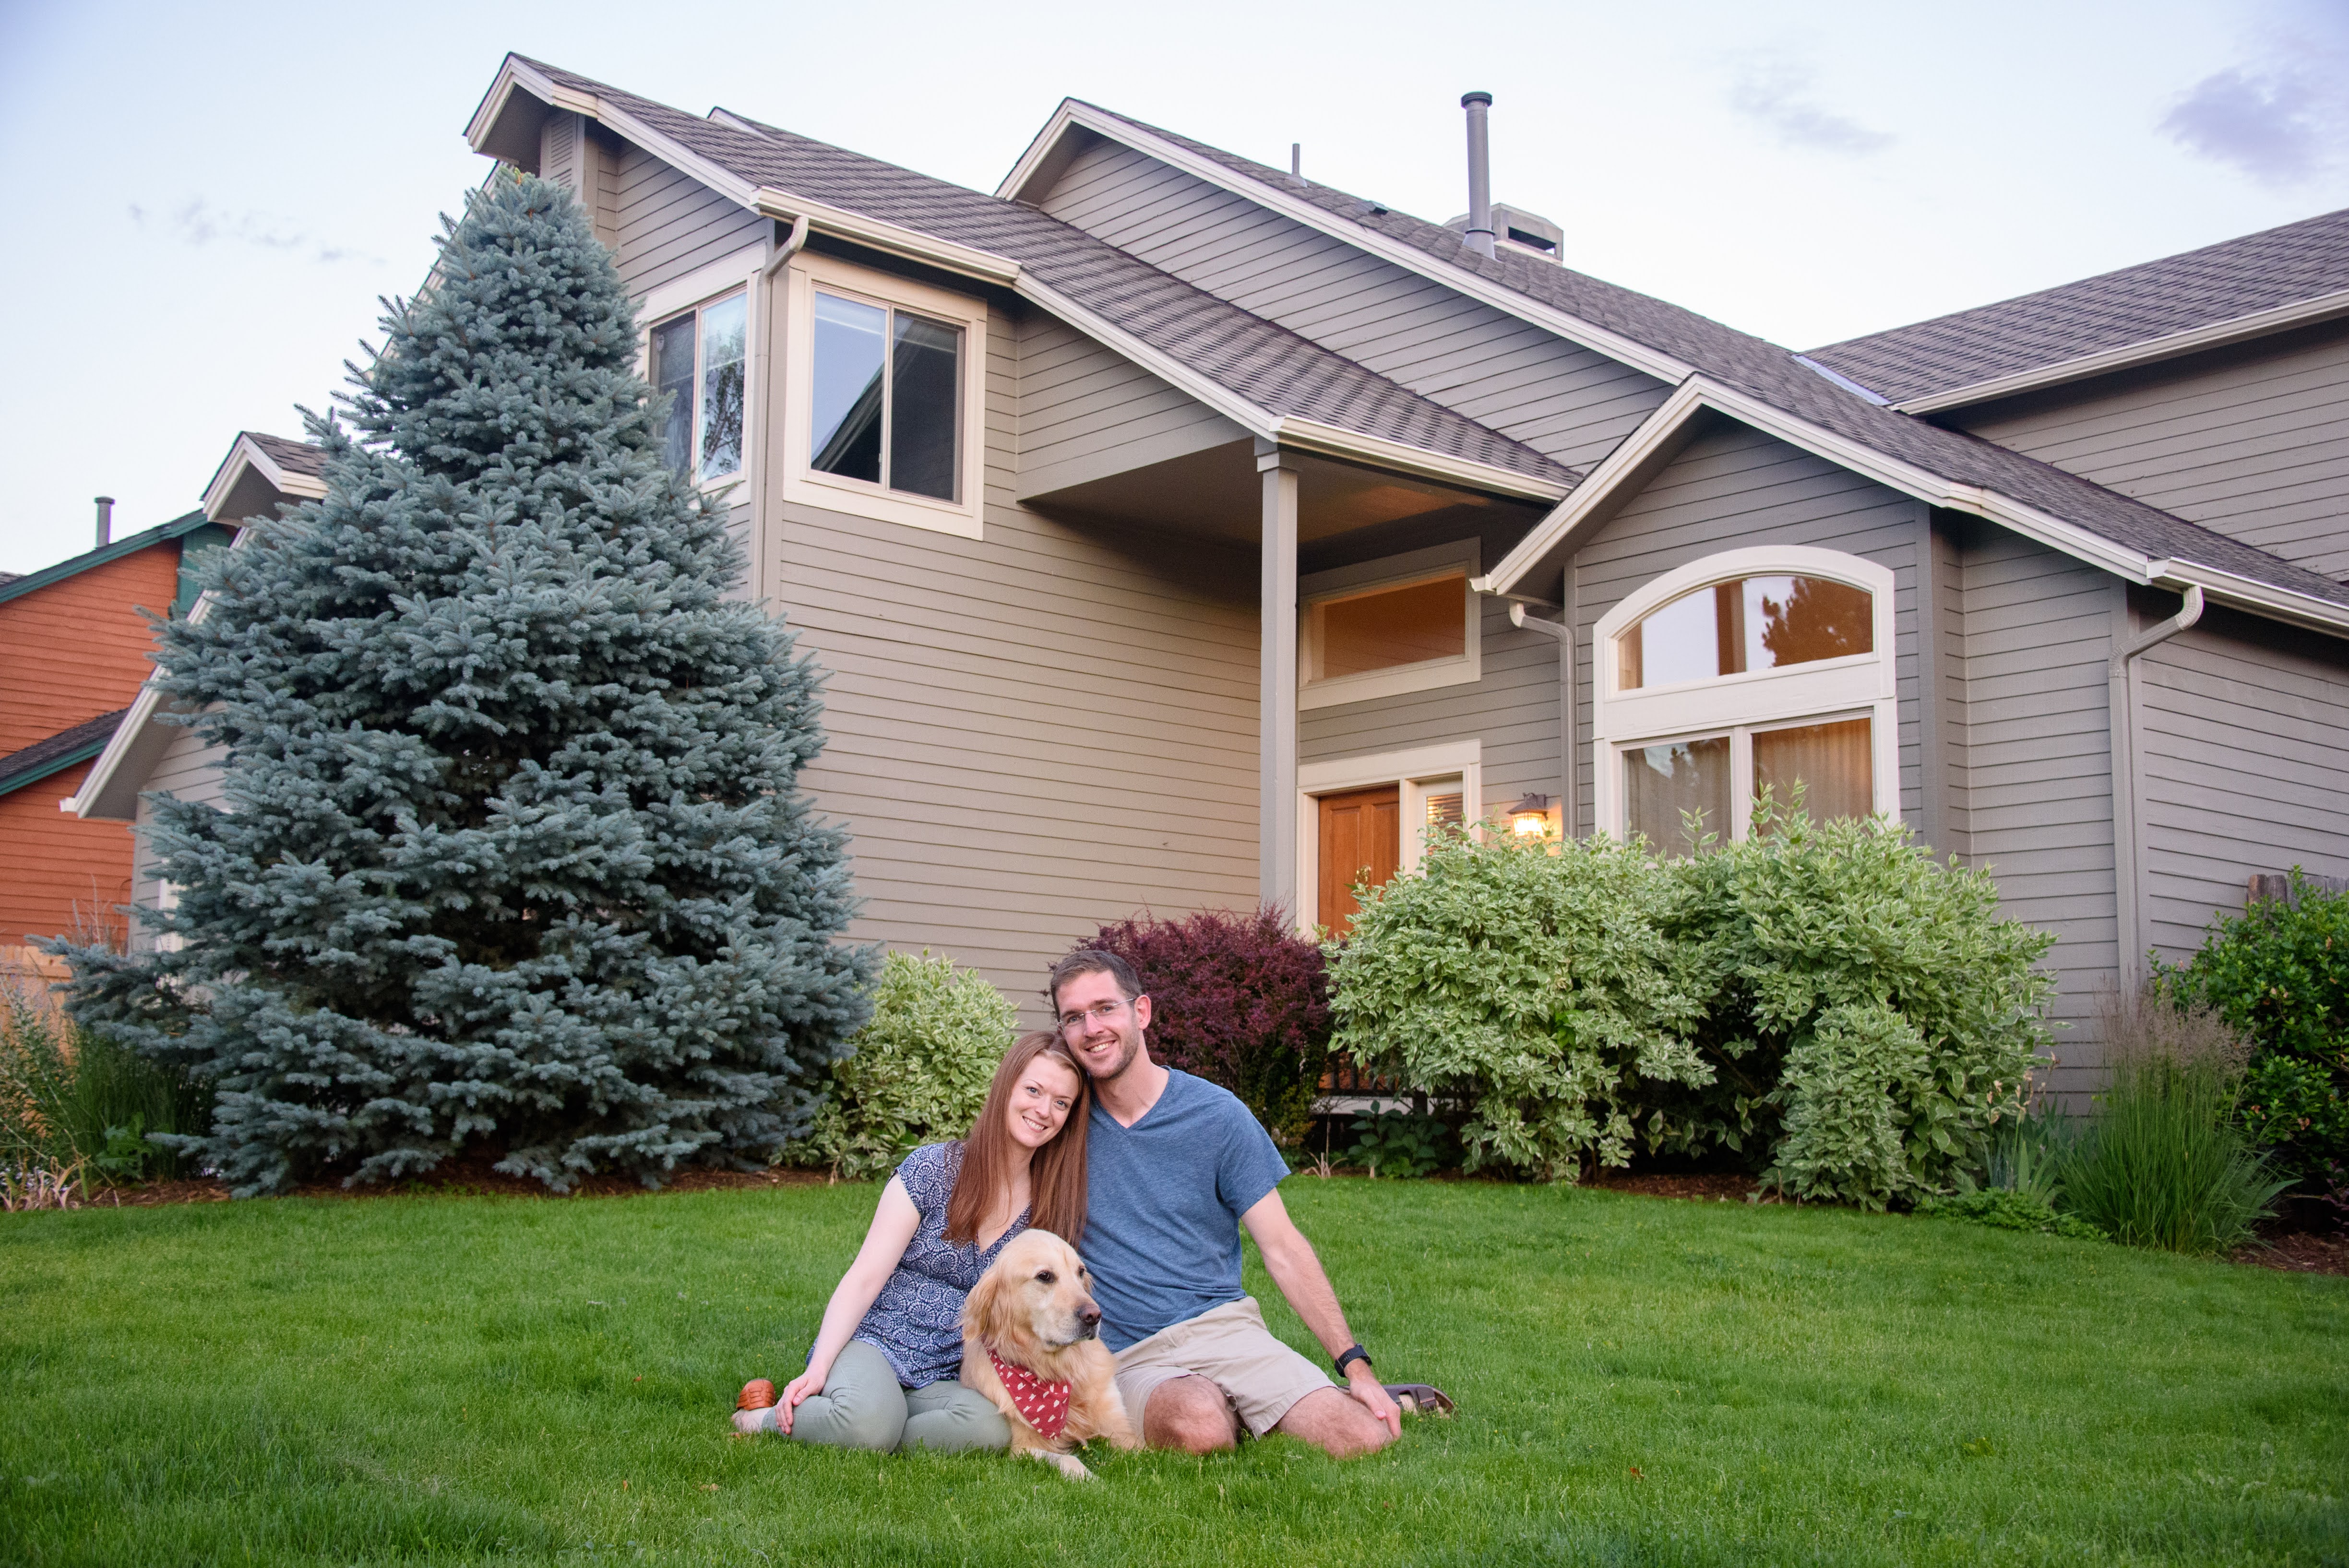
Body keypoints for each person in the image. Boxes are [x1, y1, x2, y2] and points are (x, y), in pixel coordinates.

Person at [1050, 950, 1401, 1459]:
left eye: (1105, 1008)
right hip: (1129, 1352)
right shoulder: (1060, 1121)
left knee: (1363, 1438)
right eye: (1073, 1017)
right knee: (1199, 1429)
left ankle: (1294, 1395)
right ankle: (1225, 1406)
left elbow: (1281, 1246)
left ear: (1141, 1011)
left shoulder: (1216, 1116)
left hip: (1225, 1330)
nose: (1091, 1027)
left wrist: (1355, 1365)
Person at [732, 1031, 1091, 1452]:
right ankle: (759, 1419)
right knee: (866, 1427)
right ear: (1006, 1087)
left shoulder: (1047, 1210)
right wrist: (821, 1364)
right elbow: (865, 1276)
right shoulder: (931, 1169)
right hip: (880, 1343)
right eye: (1033, 1090)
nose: (1043, 1110)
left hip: (949, 1371)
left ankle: (874, 1420)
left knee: (989, 1429)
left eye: (1061, 1103)